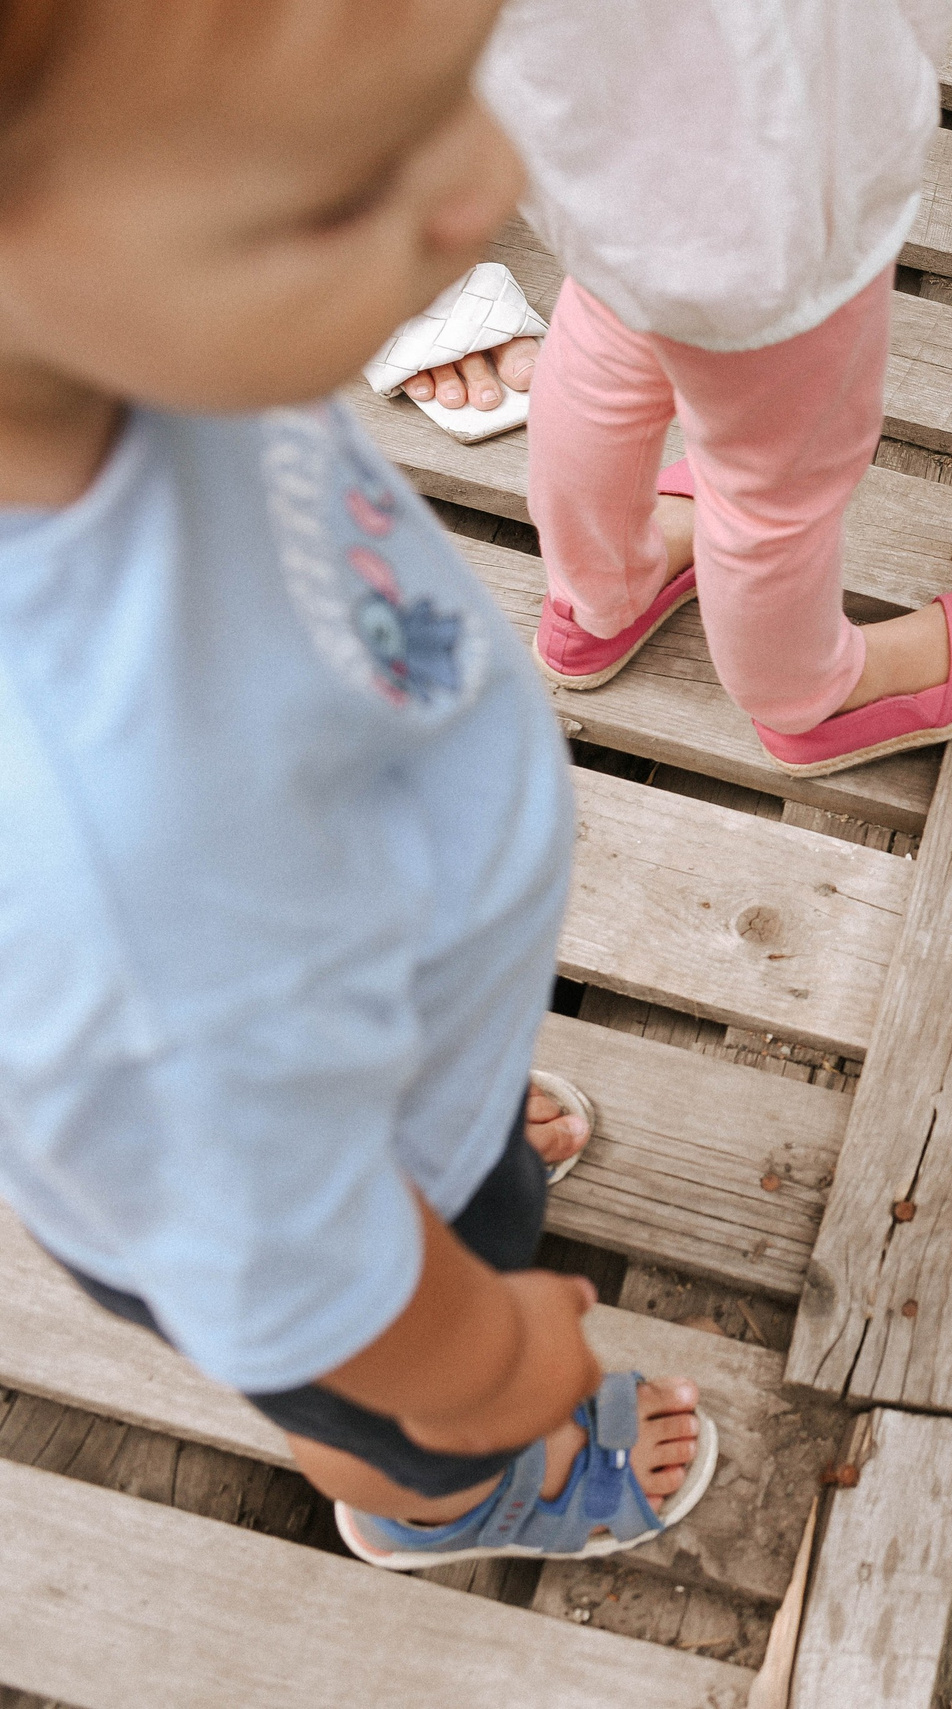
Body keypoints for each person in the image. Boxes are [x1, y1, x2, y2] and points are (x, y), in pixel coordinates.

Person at [0, 0, 708, 1569]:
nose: (487, 182)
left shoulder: (131, 333)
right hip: (297, 1217)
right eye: (341, 191)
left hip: (338, 1054)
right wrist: (487, 1363)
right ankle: (453, 1500)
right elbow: (291, 1276)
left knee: (401, 1174)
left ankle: (449, 1144)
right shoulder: (102, 858)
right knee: (387, 1405)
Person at [407, 0, 952, 779]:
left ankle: (598, 599)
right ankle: (809, 695)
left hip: (597, 169)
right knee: (772, 492)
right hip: (769, 213)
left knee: (602, 354)